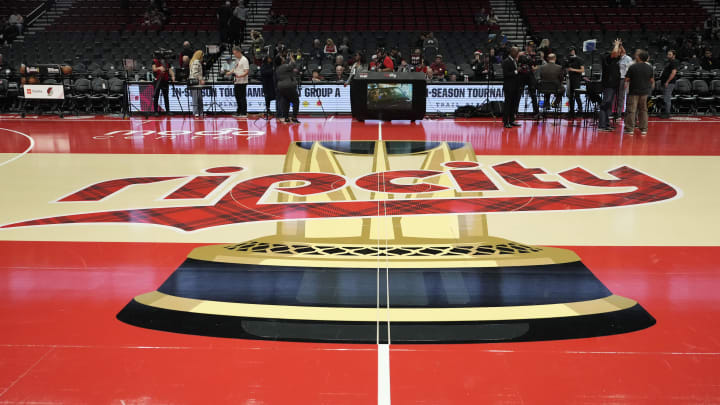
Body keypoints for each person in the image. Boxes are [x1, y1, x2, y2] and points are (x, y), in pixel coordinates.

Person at [623, 49, 654, 136]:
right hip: (644, 92)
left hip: (634, 91)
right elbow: (652, 80)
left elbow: (627, 79)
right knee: (643, 110)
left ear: (639, 57)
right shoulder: (649, 67)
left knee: (631, 110)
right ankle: (644, 129)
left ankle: (630, 129)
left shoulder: (633, 67)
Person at [598, 39, 622, 131]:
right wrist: (616, 45)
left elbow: (622, 52)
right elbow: (615, 53)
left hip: (613, 85)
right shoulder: (608, 59)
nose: (618, 53)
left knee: (609, 105)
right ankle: (602, 125)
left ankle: (606, 124)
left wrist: (620, 45)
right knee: (605, 104)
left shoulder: (614, 60)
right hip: (608, 85)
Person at [276, 54, 300, 124]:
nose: (283, 58)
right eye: (282, 57)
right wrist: (291, 57)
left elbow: (290, 69)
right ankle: (294, 117)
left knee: (286, 101)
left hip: (281, 87)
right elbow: (293, 64)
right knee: (296, 101)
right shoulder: (284, 66)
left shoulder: (278, 68)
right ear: (280, 61)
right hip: (289, 86)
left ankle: (286, 118)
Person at [517, 43, 540, 118]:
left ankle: (536, 112)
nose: (529, 48)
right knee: (518, 94)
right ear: (526, 47)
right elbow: (517, 63)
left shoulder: (534, 55)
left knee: (533, 95)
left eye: (531, 47)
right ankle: (515, 112)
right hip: (521, 76)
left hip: (530, 76)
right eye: (528, 46)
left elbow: (536, 66)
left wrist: (534, 68)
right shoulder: (521, 54)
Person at [502, 46, 521, 128]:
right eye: (516, 52)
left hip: (515, 86)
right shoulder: (506, 61)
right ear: (512, 52)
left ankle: (512, 120)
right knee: (508, 104)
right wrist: (516, 71)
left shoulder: (514, 61)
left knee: (514, 104)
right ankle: (506, 122)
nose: (517, 54)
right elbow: (506, 74)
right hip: (509, 87)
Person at [565, 46, 585, 119]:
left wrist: (572, 69)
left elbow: (582, 70)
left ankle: (580, 111)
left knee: (577, 96)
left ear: (575, 51)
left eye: (572, 50)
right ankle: (571, 112)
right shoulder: (568, 59)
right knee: (570, 96)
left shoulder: (579, 59)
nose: (571, 52)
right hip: (570, 79)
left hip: (576, 79)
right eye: (570, 51)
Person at [230, 46, 249, 117]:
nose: (234, 55)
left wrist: (240, 76)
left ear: (238, 52)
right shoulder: (237, 60)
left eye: (235, 53)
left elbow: (246, 71)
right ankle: (239, 111)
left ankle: (244, 112)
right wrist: (229, 72)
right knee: (237, 96)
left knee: (242, 97)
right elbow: (234, 68)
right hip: (236, 81)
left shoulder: (244, 60)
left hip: (242, 81)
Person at [659, 50, 679, 119]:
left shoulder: (674, 62)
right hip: (664, 82)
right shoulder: (668, 62)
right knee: (664, 98)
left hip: (669, 83)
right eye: (668, 54)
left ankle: (667, 113)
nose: (668, 56)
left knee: (667, 98)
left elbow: (673, 73)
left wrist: (667, 81)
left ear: (674, 55)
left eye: (670, 54)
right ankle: (664, 112)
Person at [616, 45, 633, 117]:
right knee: (620, 97)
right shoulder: (618, 58)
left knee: (625, 96)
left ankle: (627, 113)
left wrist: (627, 81)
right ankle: (619, 113)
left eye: (618, 50)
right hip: (618, 79)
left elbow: (630, 70)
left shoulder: (628, 59)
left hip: (625, 79)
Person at [188, 50, 205, 117]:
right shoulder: (196, 62)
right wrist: (201, 79)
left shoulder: (194, 61)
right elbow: (195, 73)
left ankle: (200, 112)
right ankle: (196, 112)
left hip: (195, 82)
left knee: (199, 97)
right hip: (195, 82)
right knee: (196, 97)